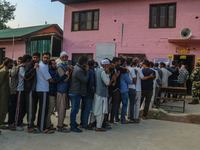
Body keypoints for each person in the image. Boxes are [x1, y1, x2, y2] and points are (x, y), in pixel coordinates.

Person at [90, 59, 113, 131]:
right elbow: (107, 83)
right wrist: (111, 78)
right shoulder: (103, 72)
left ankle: (91, 123)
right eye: (109, 65)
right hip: (102, 94)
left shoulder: (96, 70)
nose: (110, 66)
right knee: (101, 111)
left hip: (96, 93)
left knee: (95, 109)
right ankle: (98, 127)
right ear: (105, 65)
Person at [69, 55, 89, 132]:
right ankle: (72, 126)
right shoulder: (79, 70)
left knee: (75, 109)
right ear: (84, 63)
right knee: (74, 110)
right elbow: (85, 80)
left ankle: (73, 123)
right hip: (76, 92)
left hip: (75, 91)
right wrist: (87, 72)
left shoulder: (76, 67)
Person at [47, 59, 69, 131]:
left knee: (57, 108)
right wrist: (66, 74)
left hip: (55, 92)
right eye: (53, 64)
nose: (55, 65)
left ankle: (51, 124)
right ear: (50, 65)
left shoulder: (55, 71)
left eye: (55, 64)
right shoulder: (52, 72)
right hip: (52, 93)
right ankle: (48, 125)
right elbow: (58, 80)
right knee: (50, 110)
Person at [36, 52, 55, 134]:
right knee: (43, 110)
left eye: (47, 58)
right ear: (42, 58)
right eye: (44, 58)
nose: (46, 59)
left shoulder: (43, 64)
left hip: (43, 89)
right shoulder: (43, 66)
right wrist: (59, 80)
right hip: (42, 90)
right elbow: (50, 79)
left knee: (42, 109)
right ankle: (42, 128)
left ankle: (39, 125)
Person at [56, 52, 73, 132]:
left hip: (65, 90)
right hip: (61, 90)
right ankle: (60, 126)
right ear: (60, 58)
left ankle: (61, 123)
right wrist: (69, 72)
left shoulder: (65, 66)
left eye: (66, 57)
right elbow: (65, 78)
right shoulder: (60, 67)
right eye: (63, 57)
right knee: (61, 108)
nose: (65, 58)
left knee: (64, 108)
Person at [15, 55, 32, 131]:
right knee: (19, 108)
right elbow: (26, 77)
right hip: (20, 90)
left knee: (24, 108)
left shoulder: (24, 67)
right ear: (27, 61)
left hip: (24, 90)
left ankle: (20, 121)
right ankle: (17, 124)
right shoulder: (21, 68)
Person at [24, 52, 40, 133]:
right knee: (30, 108)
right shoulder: (30, 64)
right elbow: (26, 76)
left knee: (34, 108)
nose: (35, 59)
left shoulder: (39, 65)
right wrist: (34, 68)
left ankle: (32, 123)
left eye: (37, 58)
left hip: (36, 90)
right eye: (34, 57)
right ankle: (30, 126)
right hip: (29, 89)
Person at [109, 57, 127, 123]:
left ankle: (111, 119)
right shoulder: (118, 68)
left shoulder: (111, 69)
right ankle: (111, 120)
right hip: (115, 88)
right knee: (114, 104)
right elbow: (127, 71)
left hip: (110, 88)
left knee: (111, 105)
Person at [8, 57, 23, 130]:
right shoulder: (15, 67)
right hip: (12, 90)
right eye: (18, 61)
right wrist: (18, 67)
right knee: (12, 108)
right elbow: (13, 74)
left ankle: (15, 121)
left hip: (17, 90)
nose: (19, 63)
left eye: (21, 62)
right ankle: (10, 123)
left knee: (17, 107)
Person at [80, 60, 95, 130]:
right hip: (88, 93)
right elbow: (91, 84)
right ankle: (85, 124)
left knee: (83, 108)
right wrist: (93, 92)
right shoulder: (91, 71)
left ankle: (82, 122)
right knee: (87, 109)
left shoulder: (85, 70)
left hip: (84, 91)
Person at [0, 58, 13, 130]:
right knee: (3, 108)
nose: (12, 65)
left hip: (5, 93)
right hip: (2, 94)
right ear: (8, 64)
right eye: (11, 63)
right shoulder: (3, 71)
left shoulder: (6, 71)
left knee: (4, 108)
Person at [118, 58, 133, 124]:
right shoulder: (124, 71)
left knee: (118, 104)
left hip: (119, 89)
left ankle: (116, 118)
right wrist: (133, 80)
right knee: (124, 104)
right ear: (124, 63)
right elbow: (129, 81)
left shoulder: (118, 70)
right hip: (124, 89)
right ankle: (123, 119)